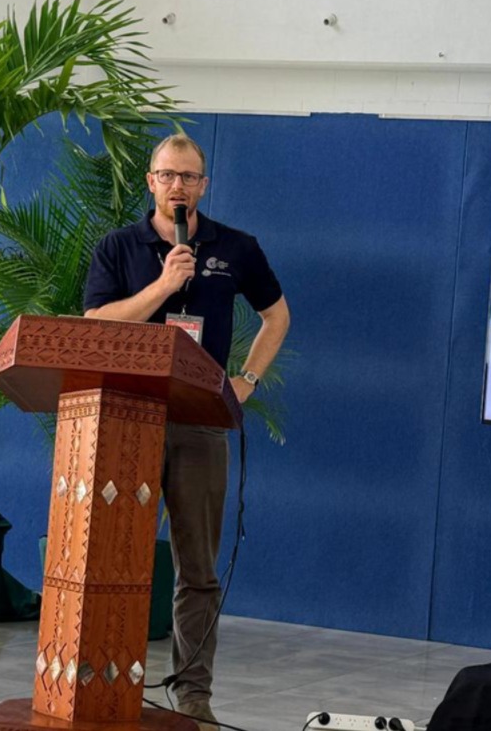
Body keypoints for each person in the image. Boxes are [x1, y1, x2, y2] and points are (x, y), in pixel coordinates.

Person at [84, 134, 290, 728]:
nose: (179, 186)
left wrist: (246, 378)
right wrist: (163, 287)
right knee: (115, 560)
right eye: (168, 175)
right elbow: (97, 323)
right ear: (150, 181)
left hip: (199, 422)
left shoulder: (236, 246)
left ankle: (193, 694)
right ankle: (105, 680)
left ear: (204, 185)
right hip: (128, 419)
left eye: (190, 177)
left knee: (197, 567)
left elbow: (277, 315)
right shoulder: (119, 247)